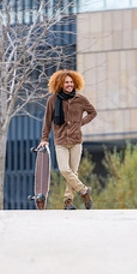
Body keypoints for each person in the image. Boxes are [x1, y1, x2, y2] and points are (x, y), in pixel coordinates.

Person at [39, 69, 97, 210]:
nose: (69, 84)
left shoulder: (80, 99)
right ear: (60, 84)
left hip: (76, 141)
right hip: (61, 141)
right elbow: (47, 120)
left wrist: (80, 123)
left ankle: (68, 201)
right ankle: (84, 190)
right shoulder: (53, 100)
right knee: (65, 170)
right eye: (66, 82)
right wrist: (44, 138)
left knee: (73, 172)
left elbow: (93, 112)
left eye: (71, 82)